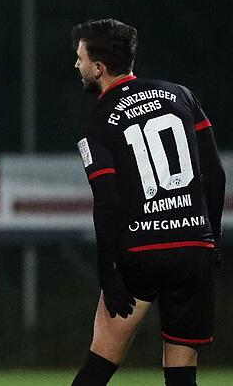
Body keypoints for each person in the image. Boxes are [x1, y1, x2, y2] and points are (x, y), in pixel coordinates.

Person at [70, 19, 225, 386]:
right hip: (193, 245)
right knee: (182, 370)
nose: (76, 65)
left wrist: (108, 272)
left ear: (99, 67)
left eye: (80, 58)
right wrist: (211, 237)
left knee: (101, 360)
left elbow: (106, 202)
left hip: (141, 250)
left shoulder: (100, 120)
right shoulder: (181, 95)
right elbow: (215, 175)